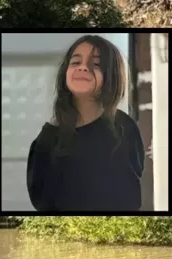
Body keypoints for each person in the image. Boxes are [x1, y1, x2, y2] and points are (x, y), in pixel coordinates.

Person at [26, 34, 144, 212]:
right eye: (75, 62)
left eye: (96, 64)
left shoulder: (124, 126)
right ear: (65, 72)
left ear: (111, 75)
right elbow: (42, 201)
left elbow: (133, 190)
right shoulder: (47, 139)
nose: (83, 68)